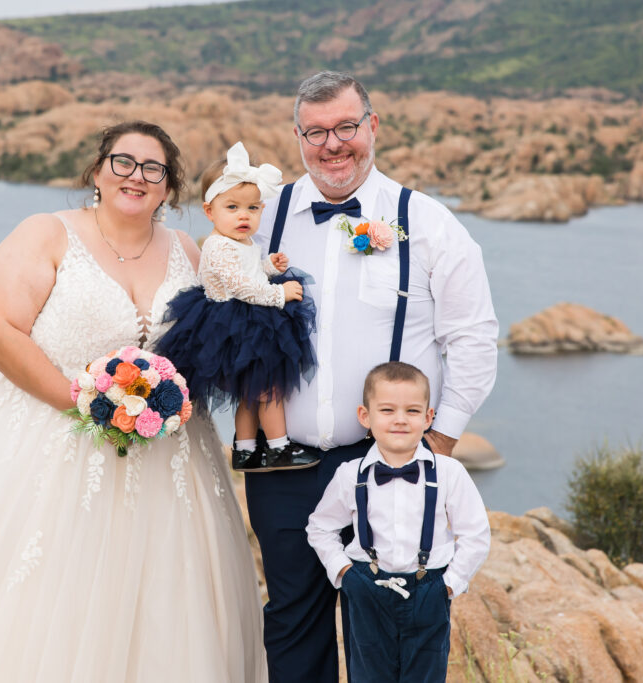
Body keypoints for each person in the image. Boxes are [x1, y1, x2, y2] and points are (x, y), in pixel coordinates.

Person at [0, 121, 267, 682]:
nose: (136, 176)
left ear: (169, 187)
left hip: (165, 454)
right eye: (123, 162)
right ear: (97, 171)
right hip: (47, 436)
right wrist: (82, 402)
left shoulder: (188, 250)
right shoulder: (46, 234)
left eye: (153, 169)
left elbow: (206, 341)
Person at [247, 71, 498, 681]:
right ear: (298, 137)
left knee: (391, 634)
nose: (332, 145)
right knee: (292, 623)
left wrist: (439, 441)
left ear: (373, 125)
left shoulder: (429, 223)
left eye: (346, 127)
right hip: (284, 465)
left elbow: (472, 337)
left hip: (389, 464)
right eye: (315, 132)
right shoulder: (262, 220)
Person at [306, 362, 490, 682]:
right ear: (365, 416)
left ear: (428, 417)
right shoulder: (350, 474)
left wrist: (449, 584)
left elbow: (475, 534)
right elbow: (320, 527)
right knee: (367, 675)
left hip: (430, 590)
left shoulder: (449, 473)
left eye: (412, 411)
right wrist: (345, 573)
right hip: (367, 589)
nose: (400, 419)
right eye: (387, 410)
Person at [156, 141, 318, 473]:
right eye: (232, 207)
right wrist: (279, 293)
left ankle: (244, 449)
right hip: (233, 327)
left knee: (251, 391)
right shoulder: (217, 246)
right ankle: (278, 446)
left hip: (243, 320)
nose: (244, 215)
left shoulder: (242, 241)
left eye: (253, 208)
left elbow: (250, 272)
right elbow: (240, 285)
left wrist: (269, 267)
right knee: (269, 388)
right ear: (209, 211)